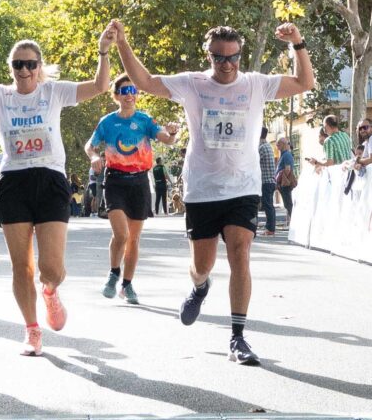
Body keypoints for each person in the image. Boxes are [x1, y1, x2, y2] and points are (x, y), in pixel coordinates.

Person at [112, 19, 317, 366]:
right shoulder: (192, 84)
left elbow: (304, 82)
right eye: (219, 57)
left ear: (240, 56)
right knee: (201, 266)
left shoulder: (256, 84)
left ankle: (238, 337)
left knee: (240, 253)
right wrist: (121, 43)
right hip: (203, 189)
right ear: (208, 56)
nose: (227, 64)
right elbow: (144, 81)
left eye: (233, 57)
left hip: (243, 187)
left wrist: (296, 42)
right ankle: (200, 287)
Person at [0, 28, 117, 356]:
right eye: (18, 64)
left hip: (50, 180)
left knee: (50, 270)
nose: (24, 70)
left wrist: (103, 51)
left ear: (39, 67)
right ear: (11, 67)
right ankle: (31, 330)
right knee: (21, 267)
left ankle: (50, 291)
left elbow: (100, 86)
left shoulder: (53, 92)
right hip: (14, 182)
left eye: (30, 64)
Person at [88, 78, 162, 302]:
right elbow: (90, 145)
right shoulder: (107, 122)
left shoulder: (145, 120)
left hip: (140, 182)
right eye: (124, 90)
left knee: (134, 239)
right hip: (115, 181)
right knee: (121, 234)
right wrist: (94, 156)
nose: (129, 94)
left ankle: (127, 285)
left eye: (133, 90)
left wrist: (172, 133)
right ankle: (113, 274)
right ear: (116, 95)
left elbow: (165, 138)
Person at [257, 127, 282, 233]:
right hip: (270, 181)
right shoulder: (268, 146)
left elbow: (254, 162)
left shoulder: (262, 148)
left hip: (266, 181)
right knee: (269, 205)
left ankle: (270, 228)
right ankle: (270, 226)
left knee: (267, 205)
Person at [273, 134, 297, 229]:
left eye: (278, 144)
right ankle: (291, 223)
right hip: (283, 183)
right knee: (287, 204)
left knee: (288, 204)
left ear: (283, 144)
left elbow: (287, 169)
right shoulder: (283, 154)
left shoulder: (286, 154)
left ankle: (294, 223)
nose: (277, 146)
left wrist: (282, 180)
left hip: (285, 183)